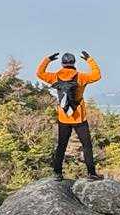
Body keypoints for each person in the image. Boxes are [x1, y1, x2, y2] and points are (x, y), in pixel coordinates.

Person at [37, 50, 102, 181]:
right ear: (74, 63)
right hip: (79, 117)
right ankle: (91, 174)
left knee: (61, 145)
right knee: (86, 145)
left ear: (62, 64)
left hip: (63, 117)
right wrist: (89, 60)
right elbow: (97, 75)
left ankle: (57, 173)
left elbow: (39, 73)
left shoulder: (55, 76)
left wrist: (47, 60)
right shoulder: (81, 77)